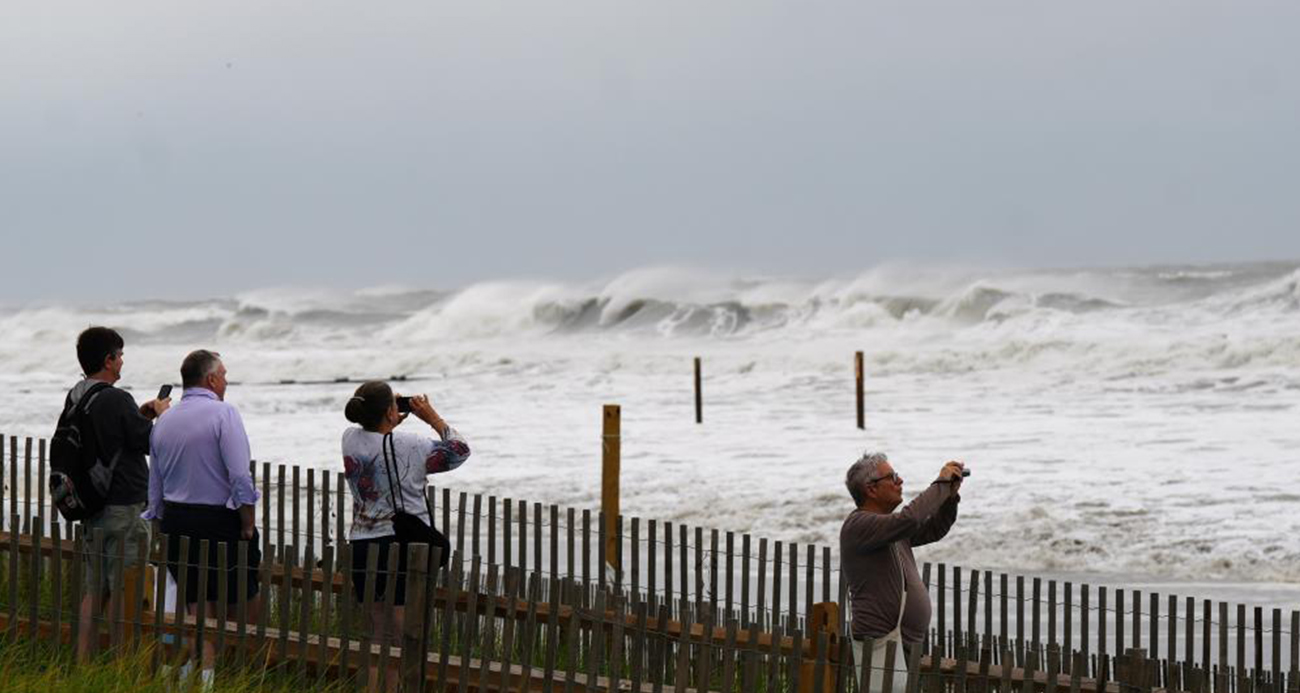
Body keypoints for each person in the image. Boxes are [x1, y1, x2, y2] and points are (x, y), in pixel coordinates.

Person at [342, 381, 469, 693]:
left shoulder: (349, 438)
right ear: (389, 410)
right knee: (403, 635)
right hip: (399, 545)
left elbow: (376, 438)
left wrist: (387, 418)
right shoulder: (410, 444)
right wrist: (432, 418)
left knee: (375, 635)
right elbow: (459, 451)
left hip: (362, 543)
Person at [146, 349, 260, 693]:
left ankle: (200, 675)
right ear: (211, 379)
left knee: (197, 603)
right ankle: (224, 671)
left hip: (177, 519)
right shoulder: (224, 413)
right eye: (223, 375)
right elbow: (240, 474)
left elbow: (156, 480)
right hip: (218, 519)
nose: (226, 381)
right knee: (242, 597)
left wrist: (159, 518)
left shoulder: (165, 419)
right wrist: (248, 520)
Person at [64, 326, 171, 662]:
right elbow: (148, 442)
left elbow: (111, 438)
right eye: (120, 355)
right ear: (109, 361)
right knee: (125, 589)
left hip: (92, 505)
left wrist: (141, 416)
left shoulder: (78, 396)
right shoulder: (116, 397)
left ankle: (83, 661)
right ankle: (121, 665)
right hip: (124, 507)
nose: (122, 360)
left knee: (94, 591)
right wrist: (163, 417)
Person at [841, 451, 964, 691]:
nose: (900, 481)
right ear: (871, 489)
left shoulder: (889, 528)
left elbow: (934, 528)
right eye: (893, 476)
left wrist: (950, 496)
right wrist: (939, 484)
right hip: (880, 642)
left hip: (902, 644)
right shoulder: (859, 525)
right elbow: (911, 519)